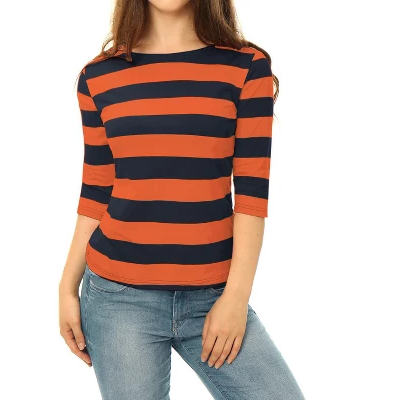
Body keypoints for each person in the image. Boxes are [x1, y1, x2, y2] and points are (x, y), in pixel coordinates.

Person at [59, 0, 306, 399]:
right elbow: (97, 190)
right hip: (118, 298)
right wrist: (67, 287)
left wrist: (236, 298)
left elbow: (251, 197)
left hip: (214, 295)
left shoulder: (247, 67)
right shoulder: (98, 76)